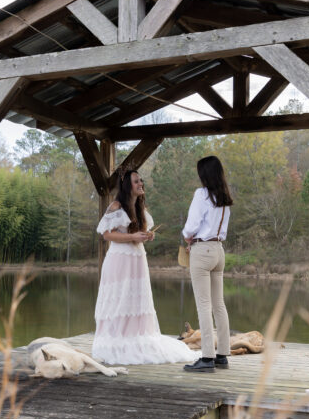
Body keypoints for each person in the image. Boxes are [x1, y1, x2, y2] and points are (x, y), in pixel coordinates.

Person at [92, 170, 199, 366]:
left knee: (136, 299)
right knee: (120, 299)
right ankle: (118, 339)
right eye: (136, 181)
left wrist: (146, 235)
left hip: (137, 259)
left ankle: (137, 335)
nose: (141, 183)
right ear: (127, 186)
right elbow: (106, 234)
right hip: (120, 259)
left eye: (141, 180)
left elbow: (136, 233)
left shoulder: (140, 207)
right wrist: (133, 237)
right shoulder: (116, 206)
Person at [181, 156, 233, 373]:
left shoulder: (201, 195)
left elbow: (192, 225)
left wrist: (186, 236)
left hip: (202, 251)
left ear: (205, 174)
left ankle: (206, 358)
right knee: (218, 304)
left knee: (204, 304)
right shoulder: (225, 198)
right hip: (219, 251)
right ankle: (222, 355)